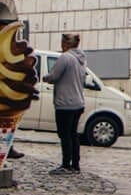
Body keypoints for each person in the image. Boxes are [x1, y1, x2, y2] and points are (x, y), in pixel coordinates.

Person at [42, 33, 86, 175]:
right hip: (78, 102)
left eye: (62, 42)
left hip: (65, 103)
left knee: (65, 134)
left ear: (66, 44)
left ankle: (66, 165)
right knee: (73, 134)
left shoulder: (65, 57)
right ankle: (75, 165)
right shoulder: (81, 59)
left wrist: (45, 77)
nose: (61, 45)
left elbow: (54, 76)